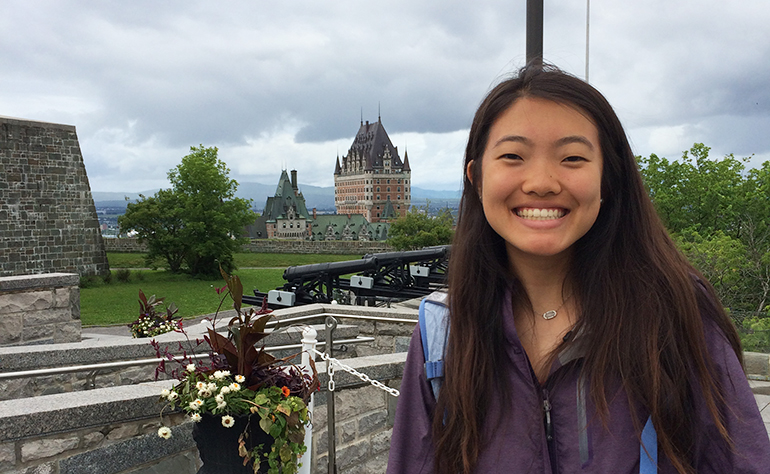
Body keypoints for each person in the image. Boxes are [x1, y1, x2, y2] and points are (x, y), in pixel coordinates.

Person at [386, 64, 770, 474]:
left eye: (572, 157)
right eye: (512, 156)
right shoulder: (443, 335)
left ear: (608, 177)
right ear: (476, 177)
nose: (541, 182)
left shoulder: (676, 313)